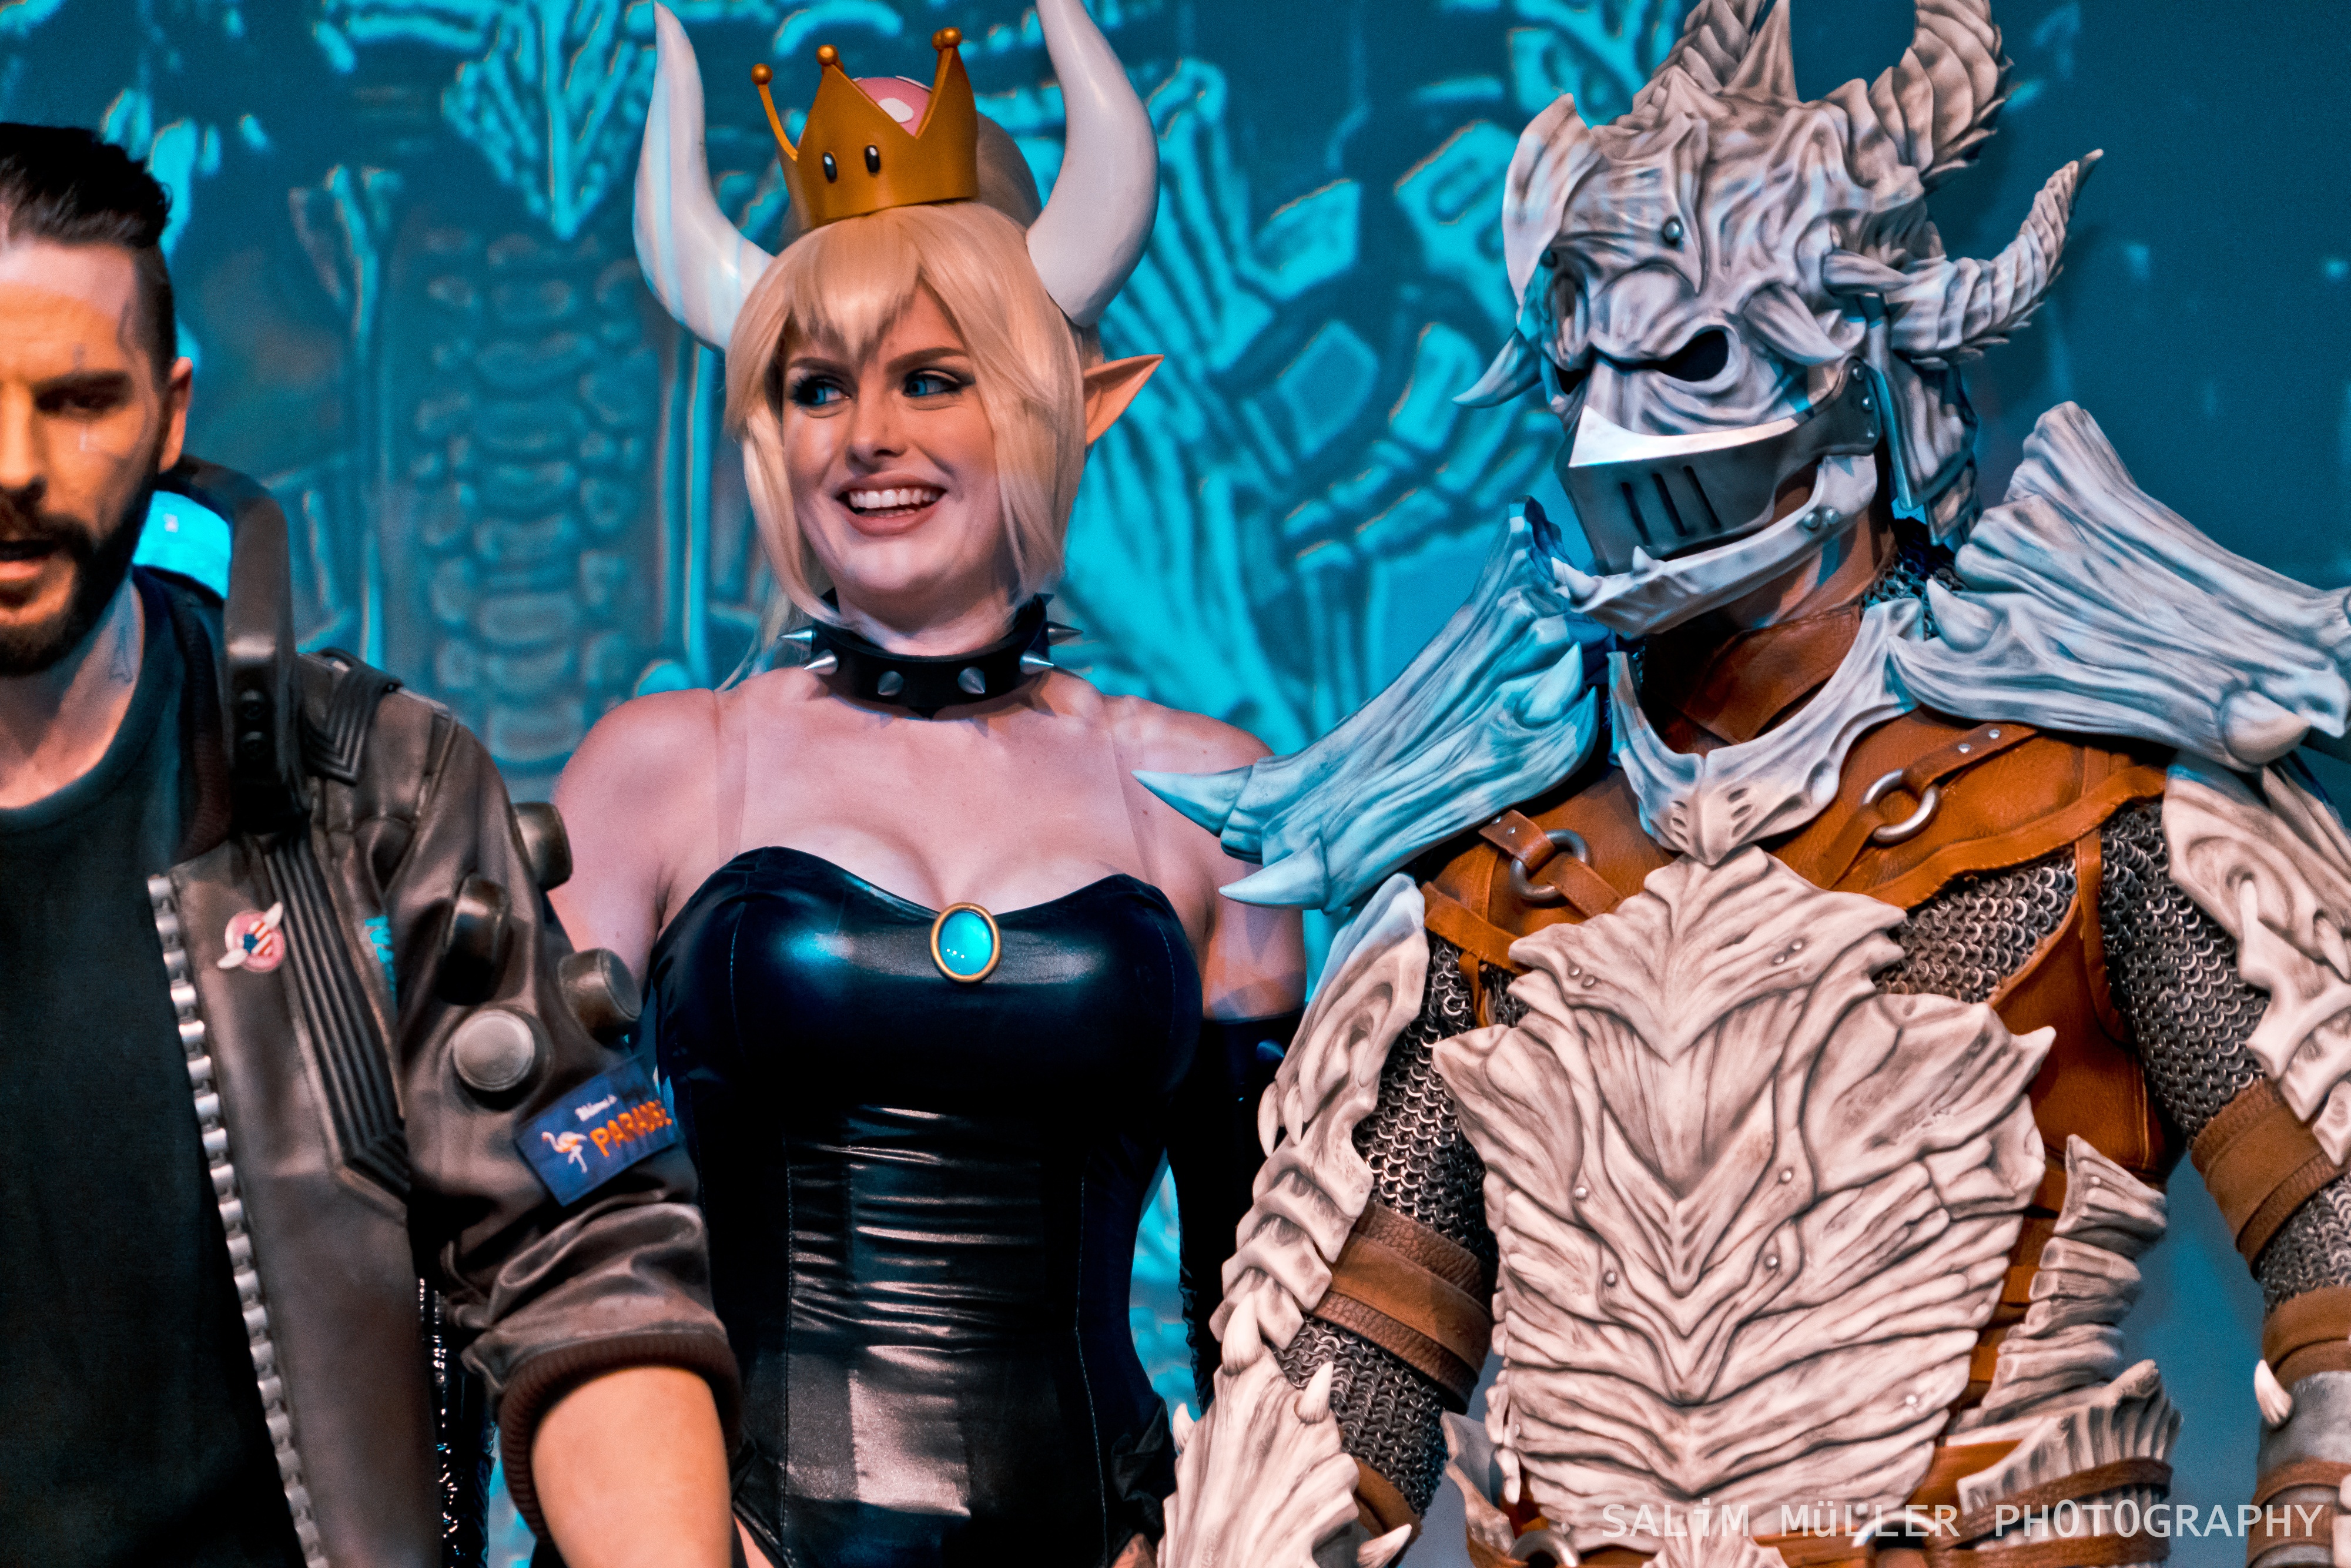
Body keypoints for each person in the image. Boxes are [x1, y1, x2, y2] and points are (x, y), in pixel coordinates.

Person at [1149, 1, 2351, 1564]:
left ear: (1857, 377)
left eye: (1693, 363)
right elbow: (1334, 1384)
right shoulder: (1489, 867)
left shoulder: (2092, 799)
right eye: (1585, 370)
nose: (1616, 441)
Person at [549, 6, 1307, 1567]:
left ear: (1057, 402)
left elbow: (1261, 1291)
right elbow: (539, 1227)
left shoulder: (1205, 791)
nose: (870, 440)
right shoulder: (659, 768)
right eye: (818, 388)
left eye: (934, 378)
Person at [0, 123, 739, 1568]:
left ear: (169, 415)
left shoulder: (377, 792)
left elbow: (578, 1252)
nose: (14, 467)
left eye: (77, 399)